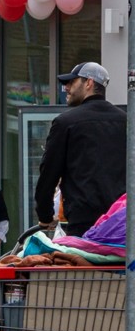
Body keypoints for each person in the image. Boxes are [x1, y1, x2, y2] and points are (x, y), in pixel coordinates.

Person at [35, 62, 127, 238]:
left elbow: (49, 173)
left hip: (84, 223)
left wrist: (45, 216)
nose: (66, 88)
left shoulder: (65, 122)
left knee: (84, 264)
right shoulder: (125, 121)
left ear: (89, 83)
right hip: (120, 222)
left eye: (71, 82)